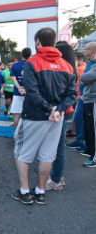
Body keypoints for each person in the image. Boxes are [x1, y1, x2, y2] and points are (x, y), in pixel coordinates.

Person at [11, 28, 76, 205]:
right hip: (57, 117)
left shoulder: (32, 62)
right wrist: (58, 110)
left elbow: (32, 93)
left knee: (21, 153)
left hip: (35, 116)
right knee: (47, 155)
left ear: (38, 41)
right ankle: (40, 192)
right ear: (54, 41)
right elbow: (71, 94)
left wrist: (50, 109)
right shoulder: (67, 65)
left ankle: (25, 191)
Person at [44, 44, 77, 190]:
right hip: (67, 110)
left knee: (57, 147)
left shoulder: (63, 69)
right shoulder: (70, 68)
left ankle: (56, 179)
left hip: (62, 111)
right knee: (58, 146)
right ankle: (57, 176)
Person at [81, 42, 96, 167]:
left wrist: (85, 78)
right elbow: (85, 77)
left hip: (93, 99)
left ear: (91, 50)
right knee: (88, 127)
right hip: (88, 98)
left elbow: (86, 76)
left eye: (85, 49)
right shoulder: (91, 63)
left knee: (93, 129)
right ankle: (91, 151)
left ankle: (94, 157)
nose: (83, 51)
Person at [10, 48, 32, 129]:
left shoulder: (15, 65)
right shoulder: (33, 64)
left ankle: (17, 133)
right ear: (30, 55)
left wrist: (19, 88)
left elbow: (13, 78)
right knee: (30, 115)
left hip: (18, 93)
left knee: (17, 114)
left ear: (21, 55)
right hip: (31, 93)